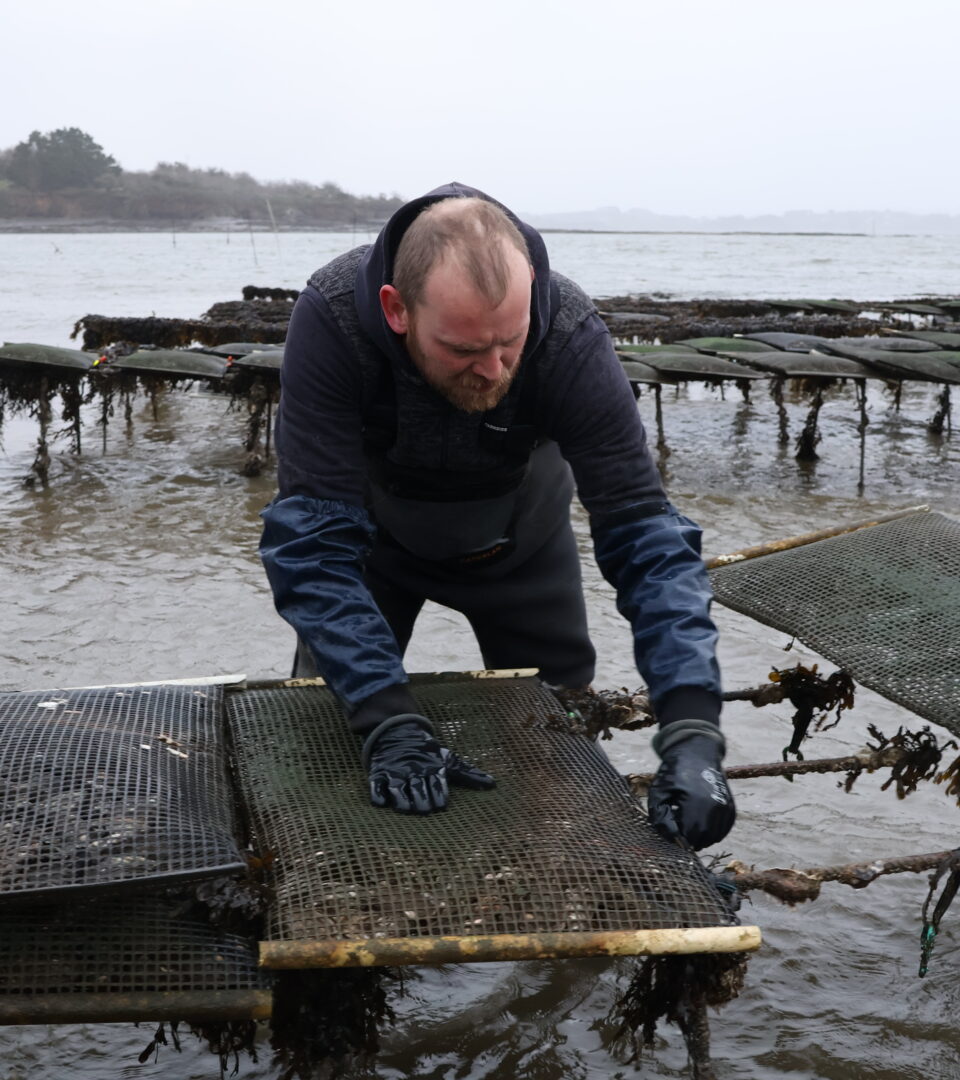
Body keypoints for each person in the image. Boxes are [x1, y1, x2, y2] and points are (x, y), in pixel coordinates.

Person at [259, 182, 735, 849]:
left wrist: (693, 730)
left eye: (510, 343)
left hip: (523, 550)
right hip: (371, 553)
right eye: (462, 350)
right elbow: (311, 541)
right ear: (396, 310)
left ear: (531, 290)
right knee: (330, 737)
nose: (491, 370)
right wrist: (387, 720)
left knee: (557, 755)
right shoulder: (333, 319)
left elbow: (647, 537)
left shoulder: (567, 332)